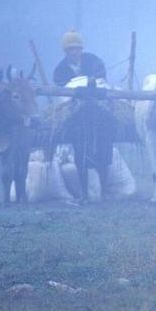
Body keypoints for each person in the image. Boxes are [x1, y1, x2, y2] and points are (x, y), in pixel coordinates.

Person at [53, 30, 114, 201]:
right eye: (70, 49)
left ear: (81, 49)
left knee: (104, 149)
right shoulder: (59, 70)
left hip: (98, 111)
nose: (74, 52)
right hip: (75, 115)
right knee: (80, 152)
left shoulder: (94, 61)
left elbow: (101, 79)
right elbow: (61, 90)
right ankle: (85, 195)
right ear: (65, 52)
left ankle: (103, 193)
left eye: (77, 49)